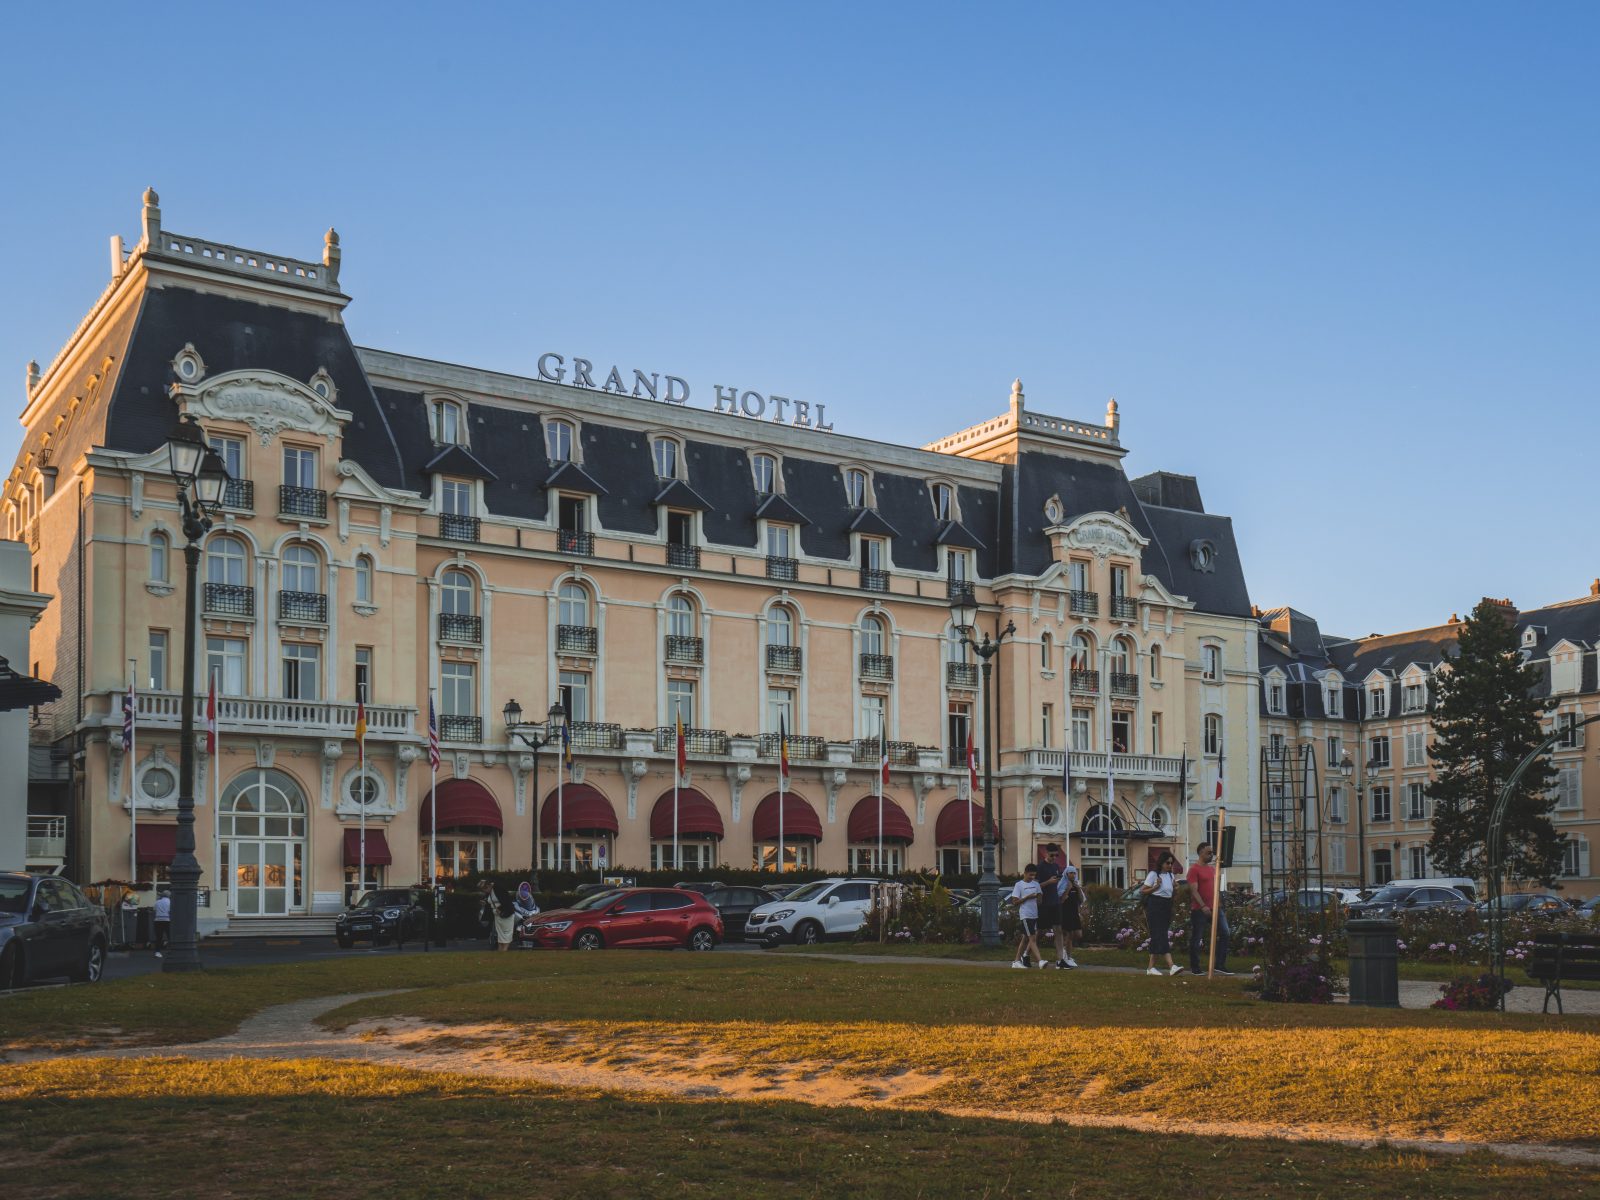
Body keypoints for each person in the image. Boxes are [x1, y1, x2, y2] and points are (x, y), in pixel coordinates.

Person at [1186, 841, 1233, 976]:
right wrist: (1203, 906)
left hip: (1215, 908)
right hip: (1200, 909)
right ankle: (1195, 967)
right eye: (1208, 853)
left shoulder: (1212, 869)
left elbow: (1214, 888)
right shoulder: (1194, 870)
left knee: (1225, 932)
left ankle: (1220, 964)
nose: (1211, 855)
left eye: (1212, 853)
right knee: (1197, 937)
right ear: (1201, 853)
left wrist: (1218, 903)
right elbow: (1194, 891)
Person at [1140, 852, 1183, 976]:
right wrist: (1155, 887)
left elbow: (1171, 894)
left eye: (1171, 863)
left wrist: (1176, 889)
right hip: (1155, 905)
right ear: (1161, 863)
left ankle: (1150, 968)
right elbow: (1143, 890)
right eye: (1167, 863)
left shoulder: (1170, 875)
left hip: (1166, 905)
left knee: (1158, 936)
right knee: (1161, 934)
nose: (1170, 865)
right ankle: (1171, 965)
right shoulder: (1154, 874)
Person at [1006, 862, 1045, 969]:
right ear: (1025, 873)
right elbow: (1014, 902)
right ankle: (1040, 961)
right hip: (1025, 915)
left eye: (1034, 875)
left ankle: (1016, 961)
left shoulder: (1036, 884)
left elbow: (1040, 902)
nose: (1032, 877)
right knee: (1032, 938)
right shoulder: (1019, 885)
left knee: (1025, 939)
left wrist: (1039, 896)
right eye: (1030, 875)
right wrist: (1027, 897)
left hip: (1034, 914)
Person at [1055, 858, 1084, 969]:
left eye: (1074, 873)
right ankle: (1064, 956)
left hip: (1074, 913)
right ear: (1066, 874)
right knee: (1067, 934)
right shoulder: (1063, 884)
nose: (1072, 875)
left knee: (1077, 934)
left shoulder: (1076, 885)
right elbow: (1060, 900)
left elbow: (1081, 900)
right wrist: (1067, 889)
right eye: (1070, 873)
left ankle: (1067, 955)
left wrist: (1078, 889)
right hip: (1064, 912)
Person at [1034, 854, 1062, 966]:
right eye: (1052, 855)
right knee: (1040, 931)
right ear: (1046, 853)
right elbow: (1034, 886)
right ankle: (1026, 954)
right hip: (1044, 903)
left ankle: (1060, 960)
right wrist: (1048, 882)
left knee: (1058, 930)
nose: (1054, 857)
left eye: (1056, 855)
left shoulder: (1056, 866)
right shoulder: (1040, 867)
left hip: (1055, 902)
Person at [152, 888, 171, 958]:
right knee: (170, 936)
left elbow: (154, 911)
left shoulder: (157, 902)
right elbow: (170, 912)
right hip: (167, 920)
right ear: (169, 896)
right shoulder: (170, 902)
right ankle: (171, 950)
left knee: (159, 937)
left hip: (158, 920)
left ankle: (157, 952)